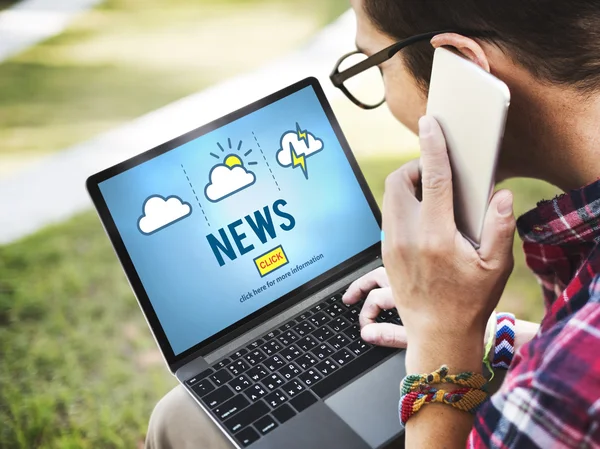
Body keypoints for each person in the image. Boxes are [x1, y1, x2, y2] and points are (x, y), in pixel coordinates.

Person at [146, 0, 600, 447]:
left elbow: (569, 376)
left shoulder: (566, 392)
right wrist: (484, 335)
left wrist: (442, 342)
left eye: (374, 66)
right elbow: (566, 350)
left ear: (463, 69)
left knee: (177, 421)